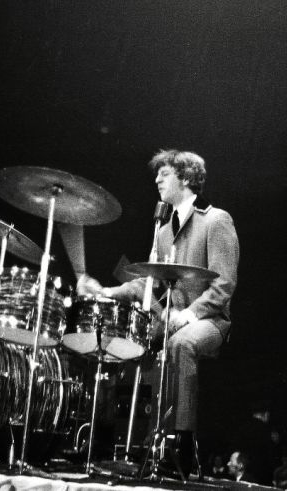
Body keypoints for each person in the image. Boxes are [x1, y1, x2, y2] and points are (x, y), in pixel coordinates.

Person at [78, 149, 240, 477]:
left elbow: (224, 284)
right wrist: (105, 292)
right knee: (114, 341)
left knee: (182, 344)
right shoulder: (164, 231)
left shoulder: (215, 219)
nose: (156, 180)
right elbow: (146, 286)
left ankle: (181, 447)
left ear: (185, 177)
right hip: (169, 319)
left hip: (209, 320)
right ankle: (113, 441)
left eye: (163, 174)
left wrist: (188, 315)